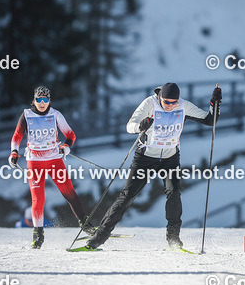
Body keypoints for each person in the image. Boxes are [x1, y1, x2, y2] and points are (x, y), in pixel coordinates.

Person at [78, 82, 222, 251]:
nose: (169, 106)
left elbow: (209, 120)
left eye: (173, 102)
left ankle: (173, 238)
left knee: (174, 194)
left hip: (170, 158)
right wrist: (141, 125)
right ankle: (99, 237)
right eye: (166, 102)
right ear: (160, 97)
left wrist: (215, 104)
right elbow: (129, 126)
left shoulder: (183, 106)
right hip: (145, 158)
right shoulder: (149, 104)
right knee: (127, 196)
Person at [10, 85, 88, 249]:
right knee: (38, 199)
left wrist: (66, 147)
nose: (42, 103)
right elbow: (17, 136)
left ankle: (85, 224)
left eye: (45, 100)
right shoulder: (27, 115)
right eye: (39, 99)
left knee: (69, 192)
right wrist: (14, 152)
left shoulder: (55, 114)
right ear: (34, 100)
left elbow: (70, 135)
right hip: (34, 162)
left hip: (54, 160)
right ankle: (38, 235)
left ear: (49, 100)